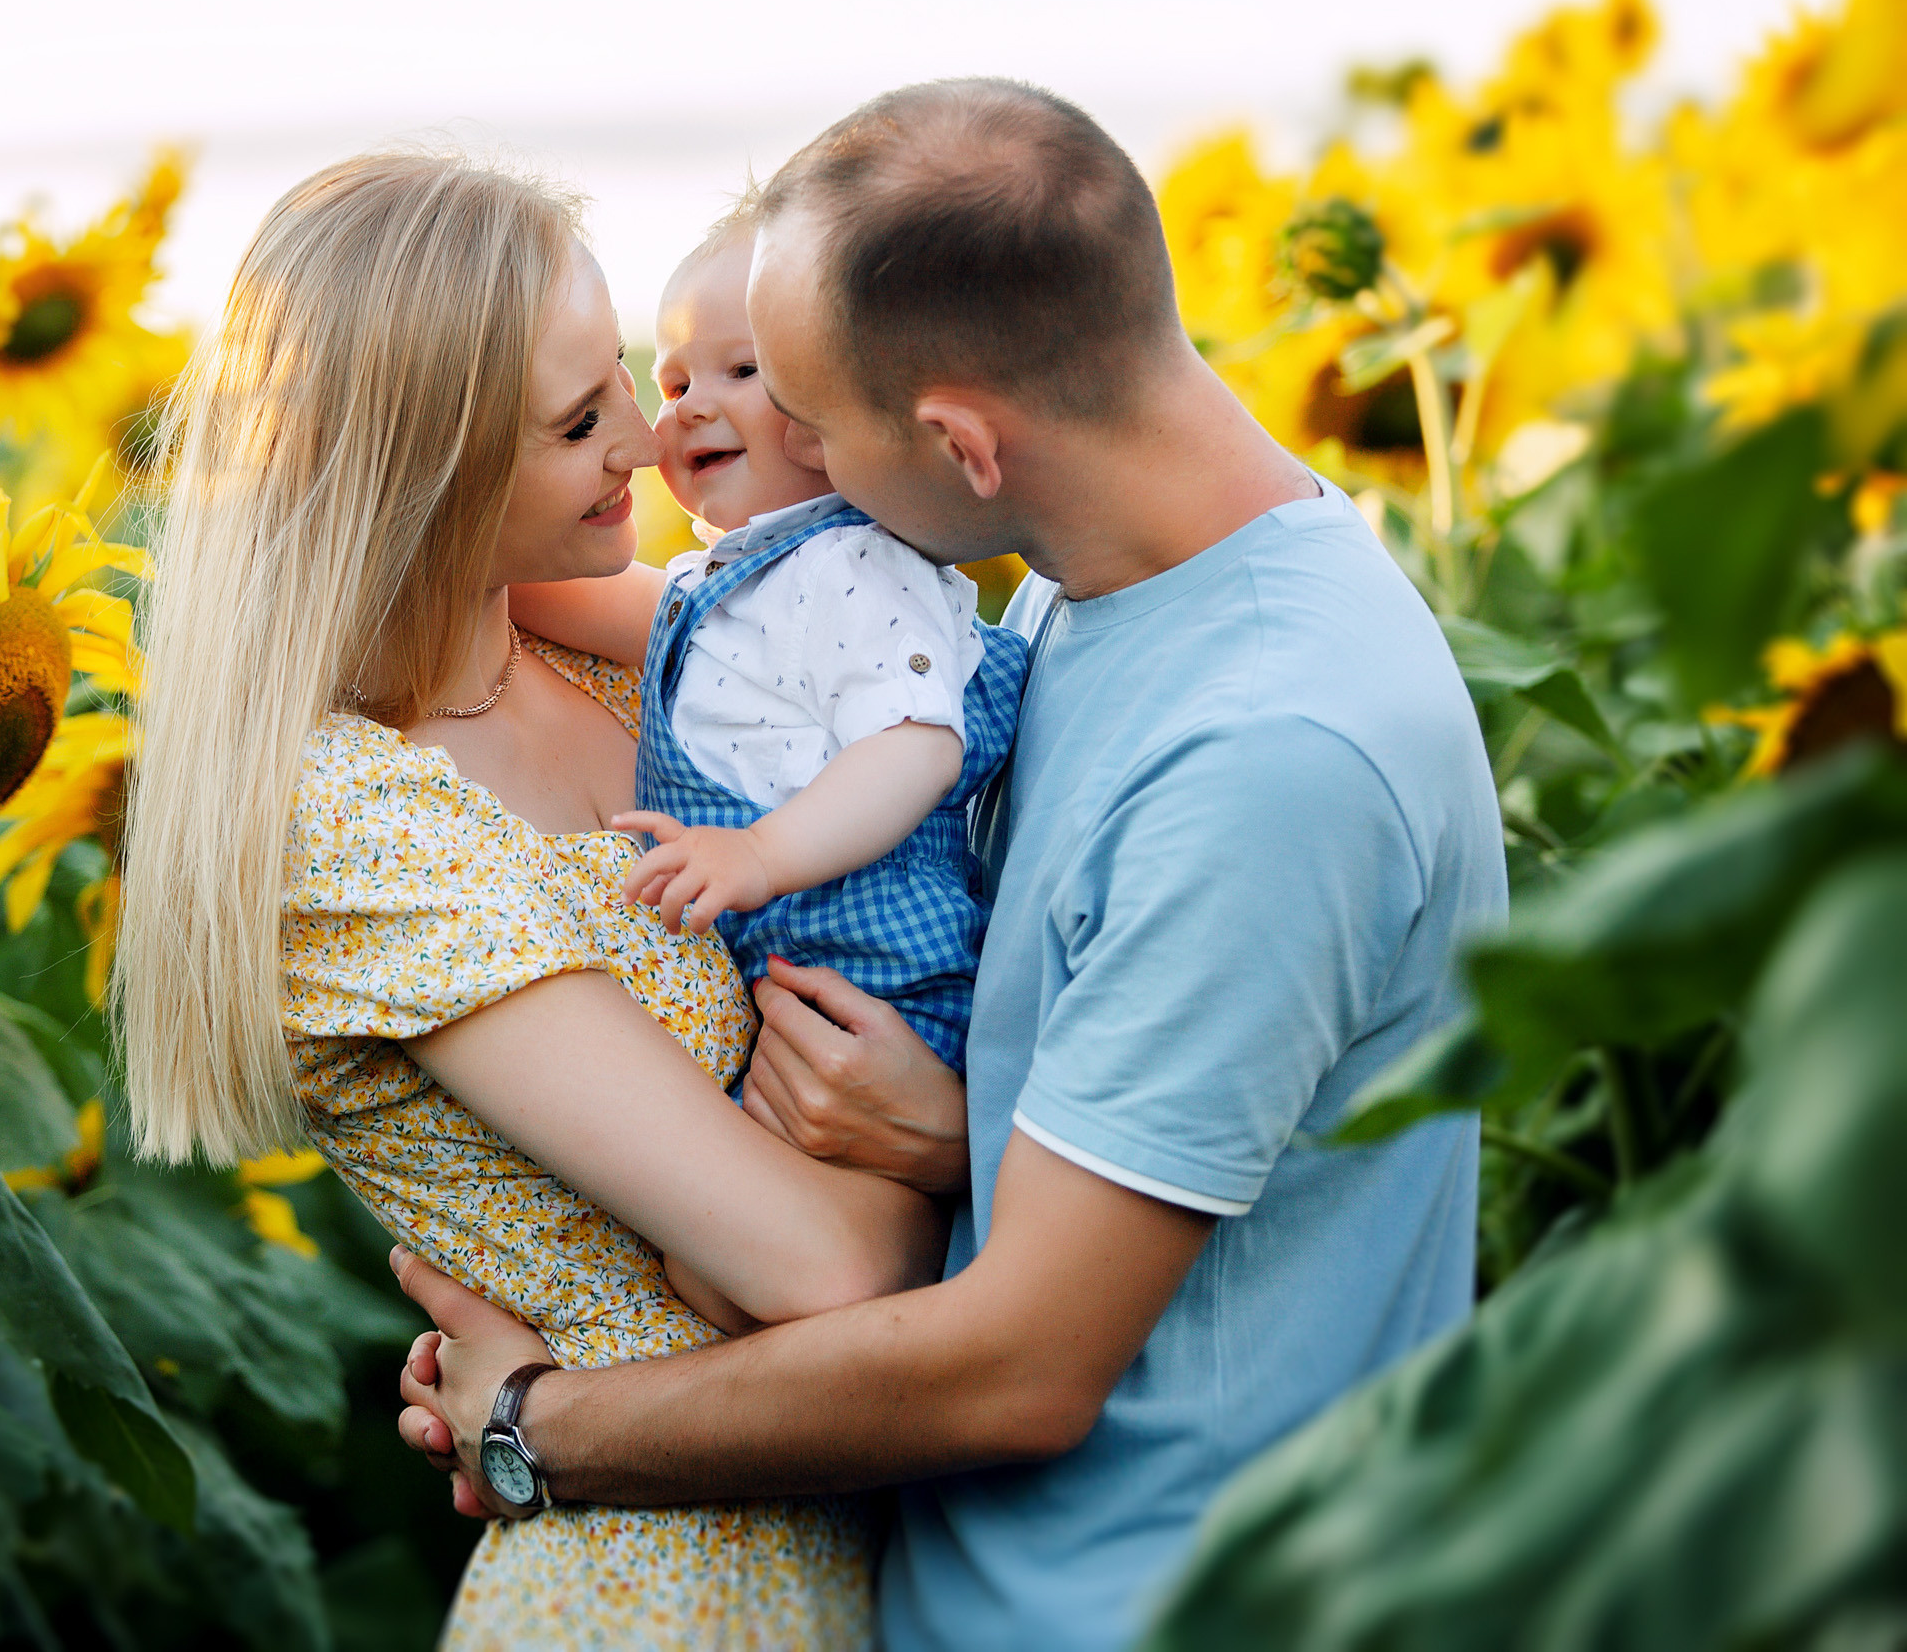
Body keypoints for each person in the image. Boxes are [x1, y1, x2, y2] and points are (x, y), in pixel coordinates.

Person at [393, 79, 1508, 1649]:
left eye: (812, 420)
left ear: (957, 444)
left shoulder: (1268, 751)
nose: (740, 453)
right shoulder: (1098, 586)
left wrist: (541, 1424)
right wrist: (962, 1133)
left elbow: (1021, 1365)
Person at [111, 152, 947, 1648]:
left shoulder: (590, 638)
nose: (651, 431)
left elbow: (899, 661)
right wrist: (961, 1164)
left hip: (894, 1530)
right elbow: (818, 1268)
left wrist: (932, 1127)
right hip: (679, 1584)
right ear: (422, 477)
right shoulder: (349, 819)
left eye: (624, 374)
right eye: (579, 420)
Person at [514, 204, 1028, 1075]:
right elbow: (562, 595)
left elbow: (917, 745)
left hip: (885, 983)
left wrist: (760, 853)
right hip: (791, 980)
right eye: (674, 385)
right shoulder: (735, 584)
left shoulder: (854, 565)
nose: (687, 411)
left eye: (742, 369)